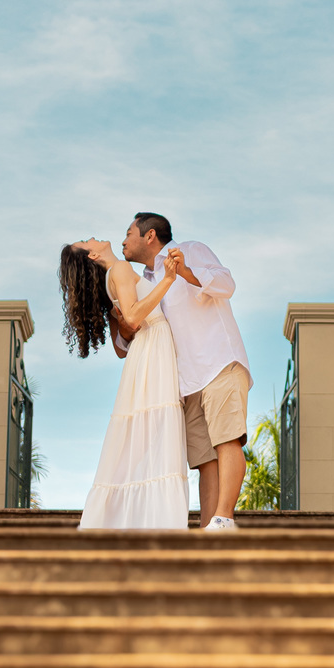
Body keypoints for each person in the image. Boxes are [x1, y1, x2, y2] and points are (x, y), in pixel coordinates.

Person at [97, 213, 251, 532]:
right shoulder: (144, 282)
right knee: (204, 462)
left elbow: (226, 284)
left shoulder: (191, 250)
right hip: (184, 382)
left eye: (128, 233)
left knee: (227, 441)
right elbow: (124, 345)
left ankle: (225, 518)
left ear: (150, 235)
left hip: (219, 362)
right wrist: (121, 321)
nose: (123, 240)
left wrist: (185, 272)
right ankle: (211, 528)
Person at [59, 238, 190, 530]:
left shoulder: (114, 276)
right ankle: (159, 523)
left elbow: (121, 345)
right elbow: (132, 316)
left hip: (145, 352)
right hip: (153, 347)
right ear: (93, 254)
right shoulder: (118, 268)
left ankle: (136, 520)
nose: (93, 237)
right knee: (157, 433)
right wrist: (169, 279)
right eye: (86, 241)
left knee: (146, 436)